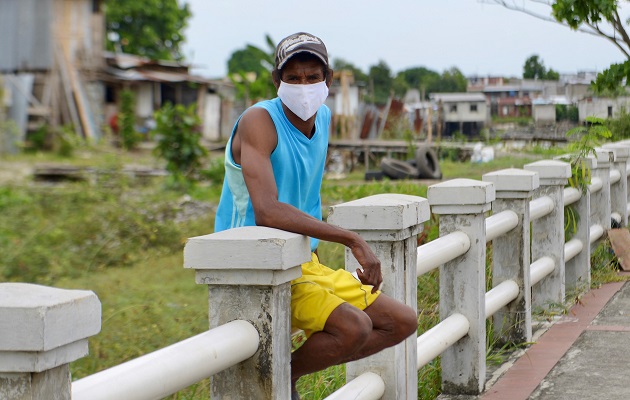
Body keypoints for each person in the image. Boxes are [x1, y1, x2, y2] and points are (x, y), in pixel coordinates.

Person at [214, 32, 418, 399]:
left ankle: (285, 373)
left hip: (302, 259)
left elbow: (305, 196)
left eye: (312, 77)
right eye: (293, 78)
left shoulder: (321, 118)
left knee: (401, 321)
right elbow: (268, 210)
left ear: (329, 79)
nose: (303, 86)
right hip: (257, 260)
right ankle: (281, 377)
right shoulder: (258, 121)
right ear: (277, 81)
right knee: (354, 327)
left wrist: (316, 252)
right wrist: (352, 238)